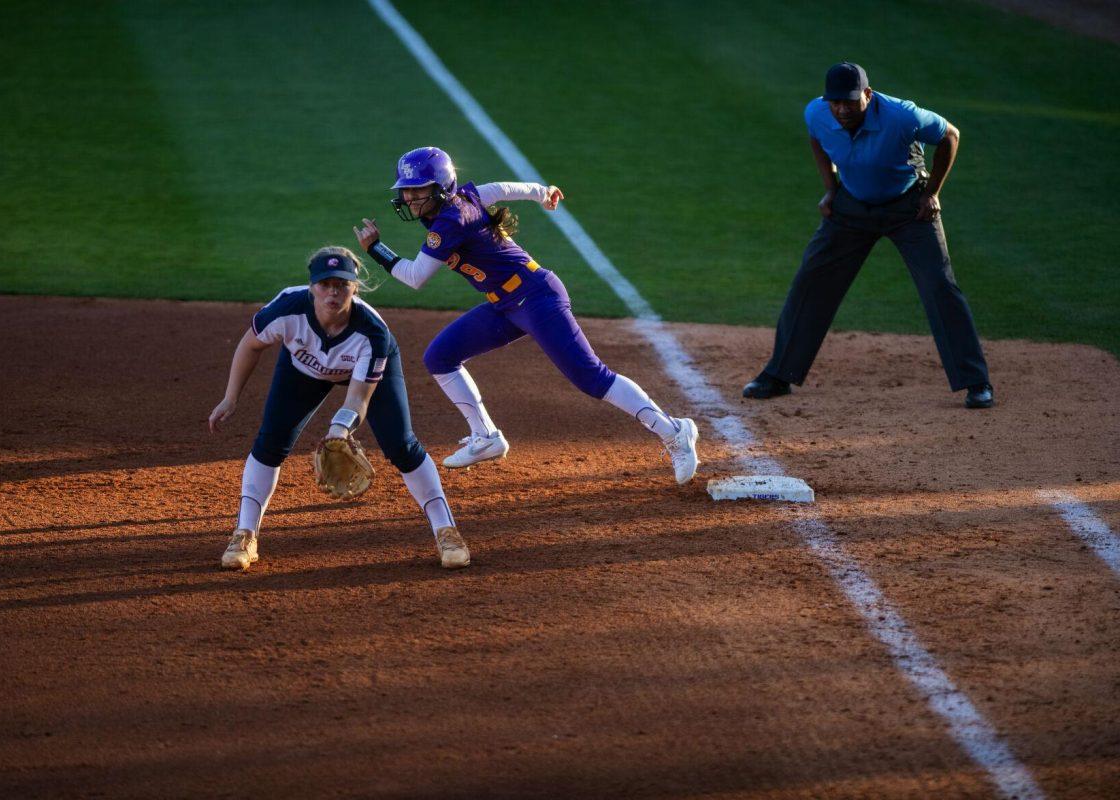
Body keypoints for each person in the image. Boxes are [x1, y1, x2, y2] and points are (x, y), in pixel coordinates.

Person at [353, 147, 699, 483]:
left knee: (591, 378)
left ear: (442, 188)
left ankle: (674, 431)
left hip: (536, 298)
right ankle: (485, 436)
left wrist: (376, 250)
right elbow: (502, 189)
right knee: (440, 357)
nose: (410, 197)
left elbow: (415, 277)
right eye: (407, 190)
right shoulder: (466, 199)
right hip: (505, 304)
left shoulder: (450, 221)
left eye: (418, 189)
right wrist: (541, 192)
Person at [742, 62, 994, 409]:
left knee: (939, 285)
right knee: (812, 280)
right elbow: (817, 139)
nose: (842, 109)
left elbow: (950, 136)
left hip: (908, 208)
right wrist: (831, 189)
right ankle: (779, 375)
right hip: (851, 207)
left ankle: (975, 382)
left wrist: (932, 192)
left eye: (850, 101)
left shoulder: (902, 116)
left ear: (868, 95)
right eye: (836, 102)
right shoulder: (817, 113)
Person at [207, 246, 470, 571]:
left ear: (355, 287)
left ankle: (447, 531)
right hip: (304, 370)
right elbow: (251, 343)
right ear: (312, 286)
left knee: (401, 445)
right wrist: (230, 397)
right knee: (271, 441)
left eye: (342, 284)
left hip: (366, 374)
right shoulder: (287, 308)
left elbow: (358, 398)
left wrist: (339, 430)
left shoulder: (372, 333)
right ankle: (244, 535)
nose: (333, 291)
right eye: (325, 283)